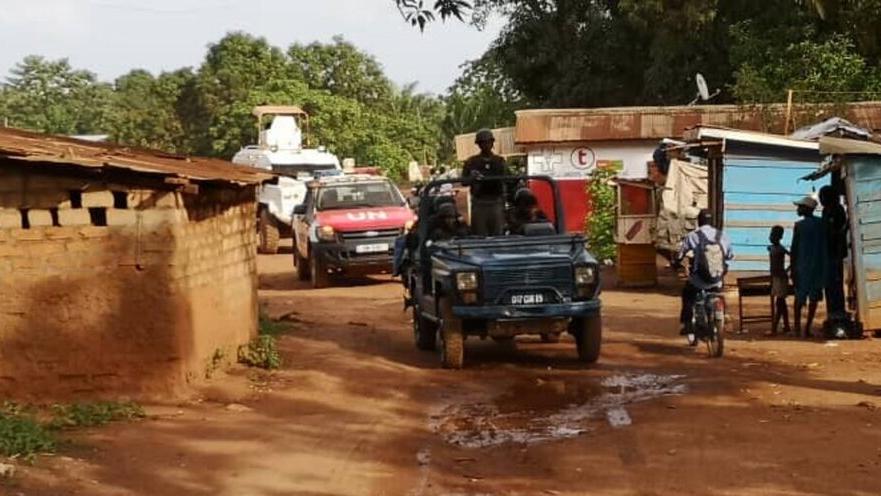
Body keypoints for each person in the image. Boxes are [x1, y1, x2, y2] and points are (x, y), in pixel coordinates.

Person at [675, 209, 734, 336]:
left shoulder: (693, 236)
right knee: (718, 291)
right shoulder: (722, 235)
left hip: (699, 280)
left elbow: (680, 254)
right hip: (717, 278)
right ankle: (725, 314)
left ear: (699, 221)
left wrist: (676, 262)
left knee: (687, 293)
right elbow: (730, 256)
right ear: (712, 221)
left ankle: (687, 324)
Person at [791, 195, 827, 338]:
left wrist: (792, 267)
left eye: (800, 207)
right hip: (818, 268)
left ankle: (797, 329)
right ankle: (807, 328)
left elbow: (794, 249)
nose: (798, 209)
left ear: (806, 209)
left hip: (802, 267)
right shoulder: (822, 224)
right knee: (813, 300)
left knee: (799, 299)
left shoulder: (799, 226)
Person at [462, 129, 508, 236]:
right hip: (479, 202)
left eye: (488, 142)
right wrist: (472, 177)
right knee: (480, 234)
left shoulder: (500, 161)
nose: (486, 145)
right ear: (478, 144)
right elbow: (464, 182)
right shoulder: (471, 162)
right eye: (482, 142)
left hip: (496, 201)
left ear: (492, 143)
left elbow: (509, 179)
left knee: (498, 234)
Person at [820, 185, 848, 318]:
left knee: (836, 283)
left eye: (822, 196)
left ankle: (838, 311)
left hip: (835, 252)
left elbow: (840, 230)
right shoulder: (826, 210)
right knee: (829, 284)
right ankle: (832, 311)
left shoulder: (837, 210)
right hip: (828, 252)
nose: (821, 199)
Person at [767, 225, 791, 336]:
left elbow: (792, 257)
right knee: (782, 303)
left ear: (779, 237)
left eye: (773, 235)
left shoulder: (780, 249)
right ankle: (786, 326)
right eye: (771, 235)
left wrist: (786, 270)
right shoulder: (772, 248)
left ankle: (774, 328)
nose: (771, 237)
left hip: (780, 278)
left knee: (779, 303)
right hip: (776, 277)